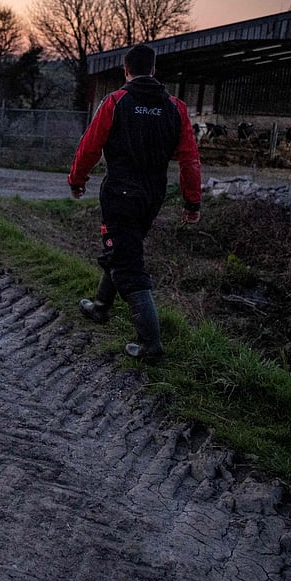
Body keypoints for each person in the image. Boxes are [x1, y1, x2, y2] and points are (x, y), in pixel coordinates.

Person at [67, 43, 201, 361]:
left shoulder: (116, 101)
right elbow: (190, 159)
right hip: (152, 197)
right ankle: (100, 307)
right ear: (154, 71)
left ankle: (150, 345)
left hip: (120, 195)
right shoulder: (176, 108)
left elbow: (89, 146)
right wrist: (191, 202)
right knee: (123, 249)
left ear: (126, 71)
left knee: (128, 263)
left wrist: (77, 180)